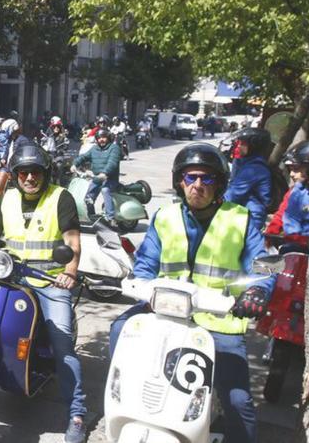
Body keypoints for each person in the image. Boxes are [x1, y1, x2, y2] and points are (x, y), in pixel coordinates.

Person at [109, 143, 273, 443]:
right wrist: (141, 286)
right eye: (190, 177)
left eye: (207, 178)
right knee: (120, 328)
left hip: (218, 319)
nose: (198, 185)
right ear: (179, 182)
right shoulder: (164, 216)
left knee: (238, 401)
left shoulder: (241, 218)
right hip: (164, 312)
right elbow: (146, 262)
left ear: (219, 184)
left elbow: (261, 265)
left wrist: (257, 293)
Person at [0, 144, 88, 443]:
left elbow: (72, 242)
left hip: (48, 281)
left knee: (62, 343)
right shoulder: (9, 197)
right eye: (23, 172)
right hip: (9, 274)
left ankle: (77, 413)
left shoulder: (60, 198)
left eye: (35, 172)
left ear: (45, 174)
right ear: (15, 175)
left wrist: (70, 273)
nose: (29, 178)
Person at [265, 138, 309, 249]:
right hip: (290, 247)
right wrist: (271, 233)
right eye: (290, 169)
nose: (292, 174)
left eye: (297, 169)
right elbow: (281, 213)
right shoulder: (295, 191)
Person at [224, 127, 272, 231]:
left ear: (253, 146)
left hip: (251, 216)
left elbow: (233, 194)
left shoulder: (254, 168)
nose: (239, 147)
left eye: (242, 143)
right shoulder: (247, 163)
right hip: (245, 212)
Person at [72, 129, 121, 226]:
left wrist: (105, 173)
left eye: (103, 137)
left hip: (110, 178)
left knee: (105, 190)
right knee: (88, 197)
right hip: (97, 178)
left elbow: (112, 162)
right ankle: (91, 216)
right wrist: (75, 164)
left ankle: (111, 218)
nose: (101, 140)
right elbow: (84, 157)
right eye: (99, 138)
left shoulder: (114, 148)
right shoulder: (94, 149)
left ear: (108, 138)